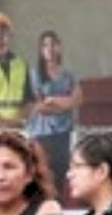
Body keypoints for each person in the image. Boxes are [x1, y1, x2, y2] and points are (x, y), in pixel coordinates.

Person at [27, 30, 81, 194]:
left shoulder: (68, 74)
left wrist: (54, 101)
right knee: (42, 174)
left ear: (59, 48)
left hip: (63, 132)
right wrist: (65, 102)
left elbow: (77, 100)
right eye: (45, 45)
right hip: (41, 134)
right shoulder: (34, 74)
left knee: (60, 173)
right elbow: (40, 107)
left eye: (53, 44)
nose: (49, 48)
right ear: (41, 50)